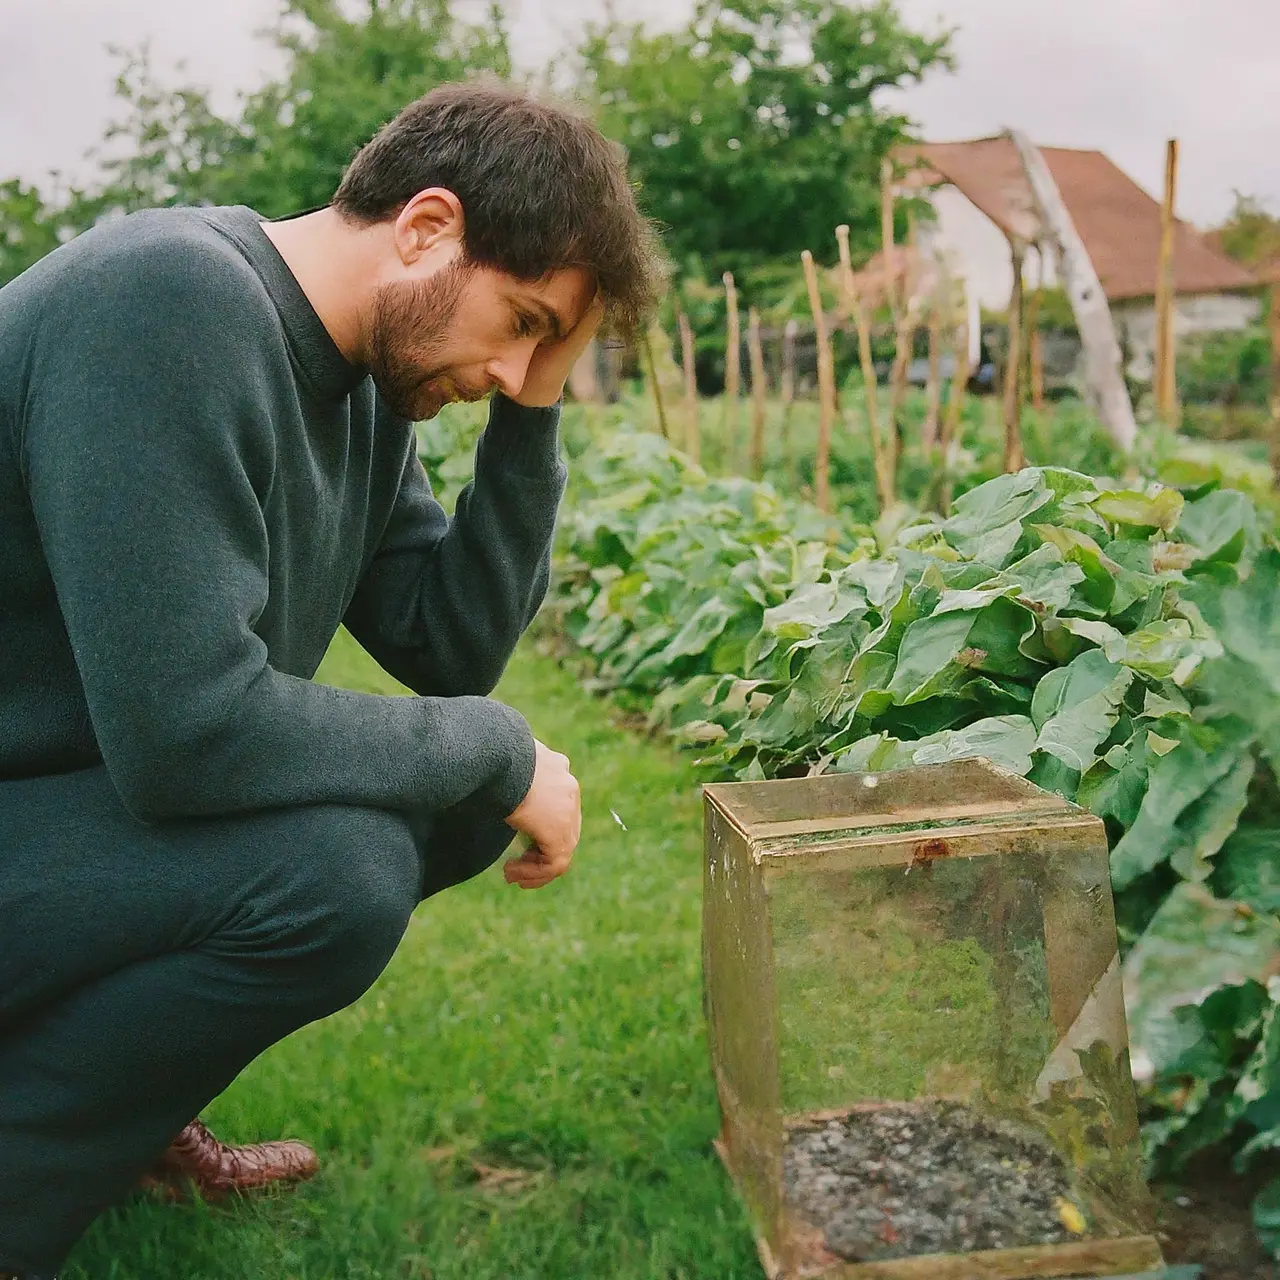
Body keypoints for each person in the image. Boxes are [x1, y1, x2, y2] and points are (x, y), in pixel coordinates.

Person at [0, 78, 664, 1276]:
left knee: (444, 809)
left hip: (53, 816)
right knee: (336, 869)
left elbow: (446, 644)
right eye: (520, 321)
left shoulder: (362, 390)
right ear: (424, 227)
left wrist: (537, 410)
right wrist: (500, 746)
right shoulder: (167, 301)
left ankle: (126, 1110)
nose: (514, 369)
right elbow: (188, 731)